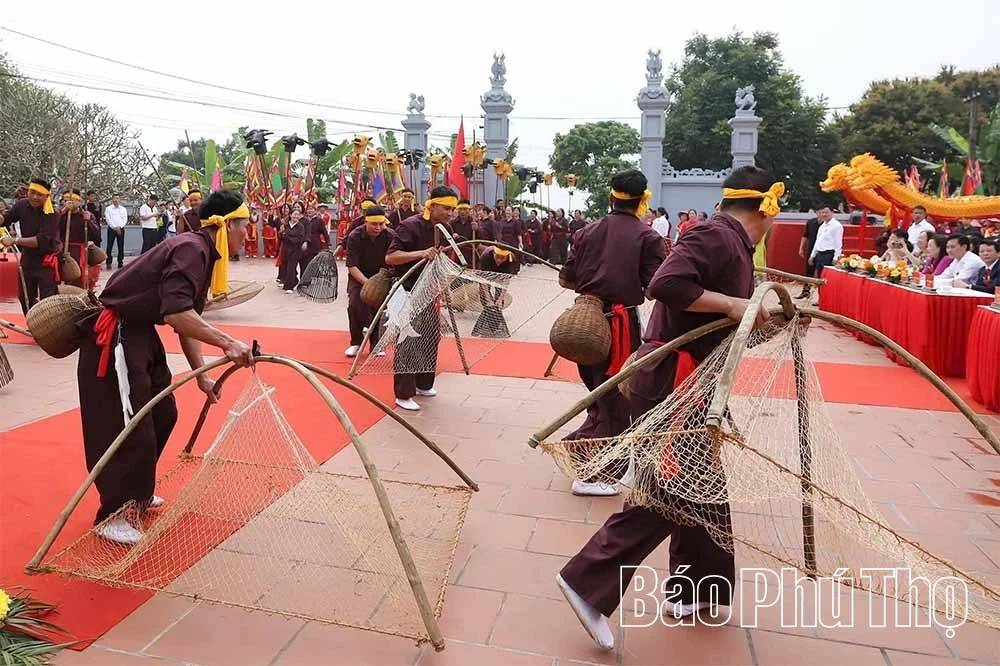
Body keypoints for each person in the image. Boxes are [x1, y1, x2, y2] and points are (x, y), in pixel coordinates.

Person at [556, 166, 783, 651]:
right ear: (766, 210)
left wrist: (762, 317)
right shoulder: (714, 235)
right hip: (674, 383)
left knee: (704, 491)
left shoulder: (733, 242)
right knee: (670, 491)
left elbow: (715, 316)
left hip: (693, 381)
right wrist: (731, 305)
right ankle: (586, 582)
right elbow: (666, 283)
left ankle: (696, 590)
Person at [76, 189, 255, 545]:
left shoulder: (203, 252)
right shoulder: (191, 248)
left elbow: (187, 320)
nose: (246, 234)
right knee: (132, 424)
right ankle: (113, 513)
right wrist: (228, 342)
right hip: (115, 335)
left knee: (164, 413)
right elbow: (177, 314)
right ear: (226, 225)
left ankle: (138, 491)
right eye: (244, 226)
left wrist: (203, 377)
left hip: (141, 333)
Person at [558, 169, 666, 496]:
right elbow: (653, 289)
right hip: (619, 325)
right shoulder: (648, 238)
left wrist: (594, 287)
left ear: (611, 196)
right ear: (642, 200)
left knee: (598, 390)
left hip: (585, 321)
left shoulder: (586, 231)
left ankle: (587, 448)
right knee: (617, 397)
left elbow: (565, 279)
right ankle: (595, 473)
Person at [385, 186, 456, 411]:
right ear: (432, 206)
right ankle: (403, 394)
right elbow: (391, 257)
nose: (450, 213)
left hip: (429, 290)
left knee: (431, 336)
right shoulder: (409, 226)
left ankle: (424, 383)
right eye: (446, 208)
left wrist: (443, 283)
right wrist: (421, 254)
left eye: (452, 209)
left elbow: (442, 259)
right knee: (408, 340)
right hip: (406, 289)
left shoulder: (446, 228)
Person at [0, 177, 62, 313]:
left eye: (39, 194)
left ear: (46, 196)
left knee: (48, 301)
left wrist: (15, 240)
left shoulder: (53, 213)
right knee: (25, 297)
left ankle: (47, 323)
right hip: (28, 259)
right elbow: (6, 219)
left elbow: (41, 241)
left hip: (46, 262)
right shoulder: (21, 205)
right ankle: (32, 321)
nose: (34, 197)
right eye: (32, 192)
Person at [345, 206, 394, 357]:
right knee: (355, 305)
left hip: (383, 276)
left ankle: (376, 345)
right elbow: (351, 265)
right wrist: (369, 284)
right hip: (359, 275)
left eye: (381, 224)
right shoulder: (354, 236)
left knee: (379, 308)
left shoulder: (390, 235)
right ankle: (356, 342)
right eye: (374, 224)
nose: (378, 228)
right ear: (365, 222)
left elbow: (394, 258)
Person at [62, 189, 102, 289]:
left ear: (79, 201)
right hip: (62, 251)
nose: (68, 203)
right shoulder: (59, 214)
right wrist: (63, 212)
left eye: (72, 200)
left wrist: (89, 222)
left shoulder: (86, 215)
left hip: (79, 252)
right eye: (65, 200)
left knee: (78, 280)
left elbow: (97, 235)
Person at [279, 205, 307, 292]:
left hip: (295, 250)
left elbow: (299, 239)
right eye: (294, 214)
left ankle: (289, 286)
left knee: (291, 267)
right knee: (286, 267)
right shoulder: (285, 226)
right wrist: (281, 233)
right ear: (290, 215)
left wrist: (287, 237)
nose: (296, 216)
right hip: (286, 249)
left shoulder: (300, 227)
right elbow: (281, 238)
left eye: (298, 215)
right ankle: (294, 280)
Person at [796, 207, 821, 299]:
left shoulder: (827, 224)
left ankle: (820, 296)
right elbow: (805, 236)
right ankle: (806, 291)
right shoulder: (811, 222)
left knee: (821, 274)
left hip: (822, 251)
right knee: (808, 271)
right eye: (819, 212)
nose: (821, 214)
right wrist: (801, 248)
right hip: (811, 249)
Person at [448, 199, 476, 267]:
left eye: (465, 209)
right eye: (460, 209)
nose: (462, 212)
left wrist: (477, 230)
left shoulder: (474, 223)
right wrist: (452, 235)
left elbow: (480, 239)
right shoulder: (452, 223)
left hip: (470, 254)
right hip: (456, 253)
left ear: (469, 210)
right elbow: (446, 238)